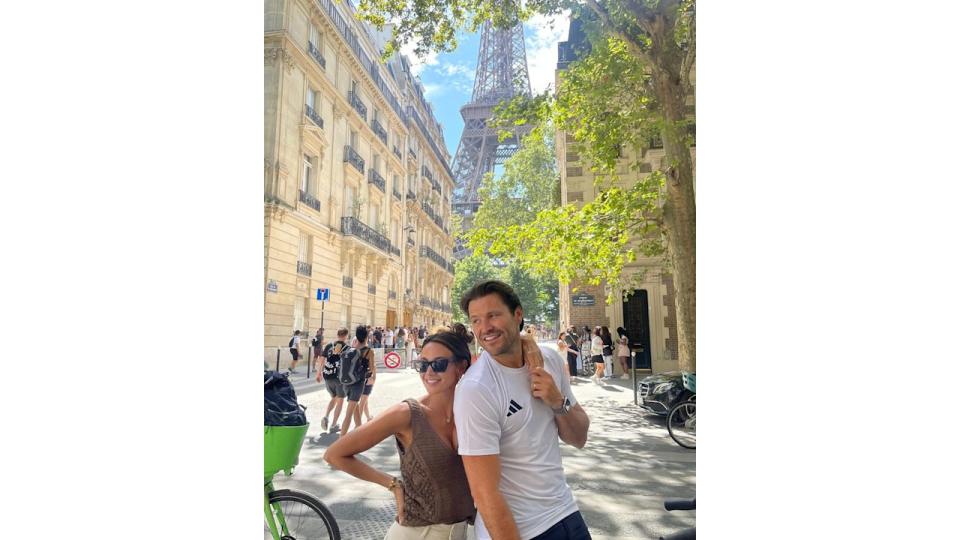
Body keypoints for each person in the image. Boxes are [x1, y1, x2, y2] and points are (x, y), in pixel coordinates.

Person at [456, 280, 592, 540]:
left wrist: (557, 401)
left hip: (566, 512)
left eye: (493, 315)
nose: (485, 328)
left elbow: (579, 438)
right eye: (476, 320)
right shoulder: (476, 389)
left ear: (517, 314)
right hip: (522, 530)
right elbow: (485, 495)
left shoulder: (548, 359)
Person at [324, 326, 476, 540]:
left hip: (465, 532)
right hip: (416, 533)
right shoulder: (406, 413)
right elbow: (334, 454)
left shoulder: (475, 413)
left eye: (439, 364)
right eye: (422, 365)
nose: (429, 372)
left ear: (462, 367)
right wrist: (393, 485)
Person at [341, 325, 375, 436]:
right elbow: (372, 368)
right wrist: (373, 378)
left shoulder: (352, 350)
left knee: (355, 409)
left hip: (346, 383)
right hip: (358, 384)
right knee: (348, 414)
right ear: (366, 338)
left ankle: (359, 433)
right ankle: (340, 442)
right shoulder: (369, 351)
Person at [317, 328, 348, 432]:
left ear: (337, 334)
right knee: (340, 400)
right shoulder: (347, 348)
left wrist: (318, 373)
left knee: (334, 397)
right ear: (346, 336)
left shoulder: (329, 345)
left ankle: (326, 416)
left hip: (328, 376)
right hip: (339, 378)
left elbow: (321, 359)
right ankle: (334, 425)